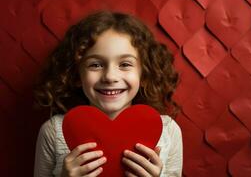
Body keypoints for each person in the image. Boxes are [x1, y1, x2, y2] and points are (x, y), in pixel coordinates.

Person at [33, 11, 183, 177]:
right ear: (76, 75)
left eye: (125, 64)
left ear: (144, 74)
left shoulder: (169, 131)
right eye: (95, 65)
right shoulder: (53, 132)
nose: (110, 77)